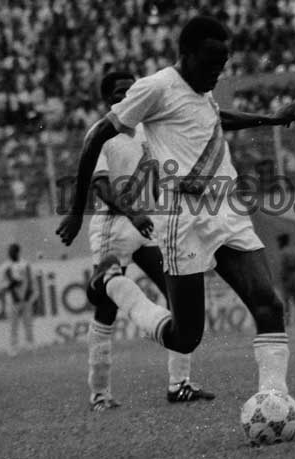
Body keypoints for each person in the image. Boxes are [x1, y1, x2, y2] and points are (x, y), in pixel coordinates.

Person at [57, 16, 295, 402]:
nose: (216, 74)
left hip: (227, 209)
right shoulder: (154, 88)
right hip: (181, 219)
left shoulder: (202, 90)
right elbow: (95, 140)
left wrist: (271, 119)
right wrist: (74, 211)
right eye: (210, 64)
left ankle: (274, 399)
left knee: (268, 304)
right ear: (185, 55)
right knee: (186, 337)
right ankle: (129, 298)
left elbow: (216, 120)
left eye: (222, 66)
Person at [86, 71, 214, 411]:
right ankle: (100, 393)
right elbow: (99, 187)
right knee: (106, 309)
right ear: (106, 100)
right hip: (114, 227)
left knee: (177, 296)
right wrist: (133, 214)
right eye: (117, 93)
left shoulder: (146, 129)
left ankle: (179, 384)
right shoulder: (101, 134)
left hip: (147, 225)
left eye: (129, 91)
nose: (124, 96)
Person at [0, 243, 35, 356]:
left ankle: (30, 346)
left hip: (25, 298)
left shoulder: (25, 265)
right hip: (12, 299)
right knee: (12, 325)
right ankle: (13, 348)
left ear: (18, 252)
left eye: (14, 251)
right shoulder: (5, 267)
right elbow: (0, 285)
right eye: (10, 252)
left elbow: (30, 280)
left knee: (28, 323)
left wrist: (30, 293)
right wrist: (11, 284)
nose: (12, 254)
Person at [277, 234, 295, 327]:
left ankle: (287, 323)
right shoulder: (294, 251)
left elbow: (282, 268)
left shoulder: (283, 252)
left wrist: (283, 278)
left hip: (287, 279)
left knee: (286, 302)